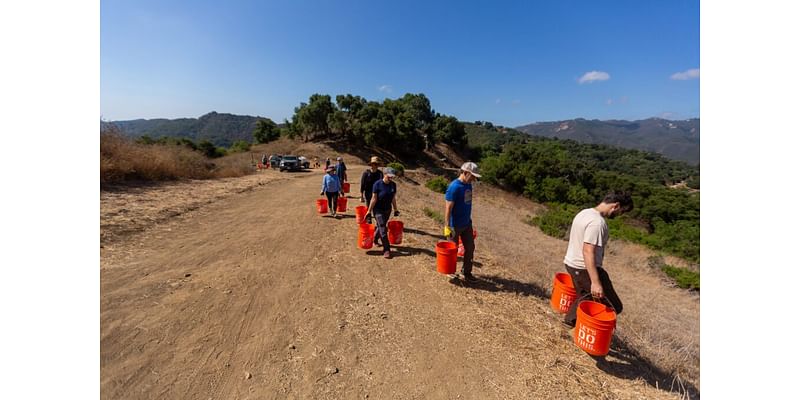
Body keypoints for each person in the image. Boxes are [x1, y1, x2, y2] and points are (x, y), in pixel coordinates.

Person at [562, 191, 634, 328]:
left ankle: (576, 324)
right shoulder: (597, 223)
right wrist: (595, 282)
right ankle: (577, 325)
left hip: (575, 264)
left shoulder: (585, 212)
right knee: (611, 305)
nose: (620, 215)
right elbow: (588, 251)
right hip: (583, 267)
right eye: (622, 211)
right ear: (616, 206)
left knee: (585, 295)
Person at [444, 162, 480, 282]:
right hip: (454, 226)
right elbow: (448, 208)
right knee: (452, 250)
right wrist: (447, 226)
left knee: (470, 248)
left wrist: (469, 221)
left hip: (466, 224)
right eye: (472, 176)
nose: (474, 179)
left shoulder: (468, 185)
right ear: (465, 173)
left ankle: (466, 273)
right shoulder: (454, 187)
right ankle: (450, 271)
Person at [366, 167, 400, 259]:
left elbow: (393, 198)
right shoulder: (377, 184)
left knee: (381, 226)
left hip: (387, 209)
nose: (391, 178)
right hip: (378, 209)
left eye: (392, 177)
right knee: (383, 228)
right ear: (384, 174)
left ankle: (375, 238)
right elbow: (374, 198)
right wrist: (369, 211)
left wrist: (396, 209)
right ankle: (386, 249)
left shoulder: (393, 185)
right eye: (389, 176)